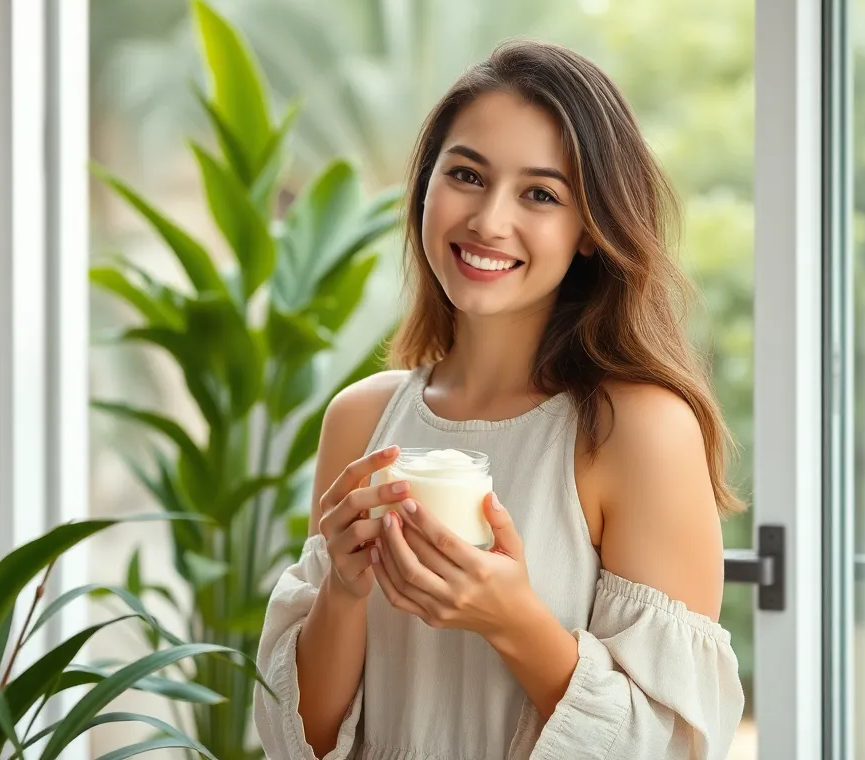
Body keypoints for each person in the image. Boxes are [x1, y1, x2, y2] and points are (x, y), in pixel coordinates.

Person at [253, 38, 746, 760]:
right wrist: (345, 593)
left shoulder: (635, 431)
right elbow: (304, 742)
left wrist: (512, 620)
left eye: (540, 194)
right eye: (466, 175)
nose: (488, 221)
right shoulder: (361, 419)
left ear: (588, 231)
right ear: (425, 187)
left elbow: (673, 744)